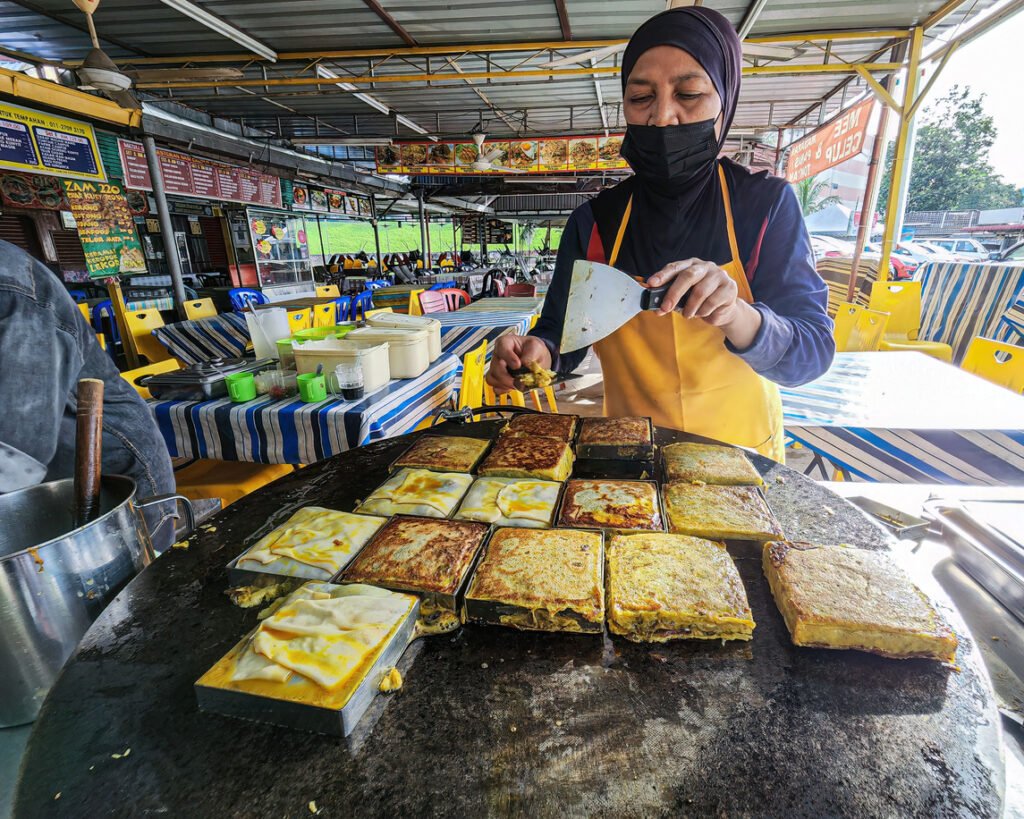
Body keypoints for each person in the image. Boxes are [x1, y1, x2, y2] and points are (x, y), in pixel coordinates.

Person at [486, 7, 833, 461]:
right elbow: (563, 336)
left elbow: (811, 353)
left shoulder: (763, 206)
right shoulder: (595, 223)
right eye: (640, 97)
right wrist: (537, 354)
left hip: (743, 459)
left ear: (724, 100)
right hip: (630, 459)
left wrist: (735, 315)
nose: (662, 117)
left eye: (689, 93)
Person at [0, 239, 176, 549]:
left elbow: (15, 453)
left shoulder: (10, 285)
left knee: (146, 584)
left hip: (108, 478)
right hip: (49, 491)